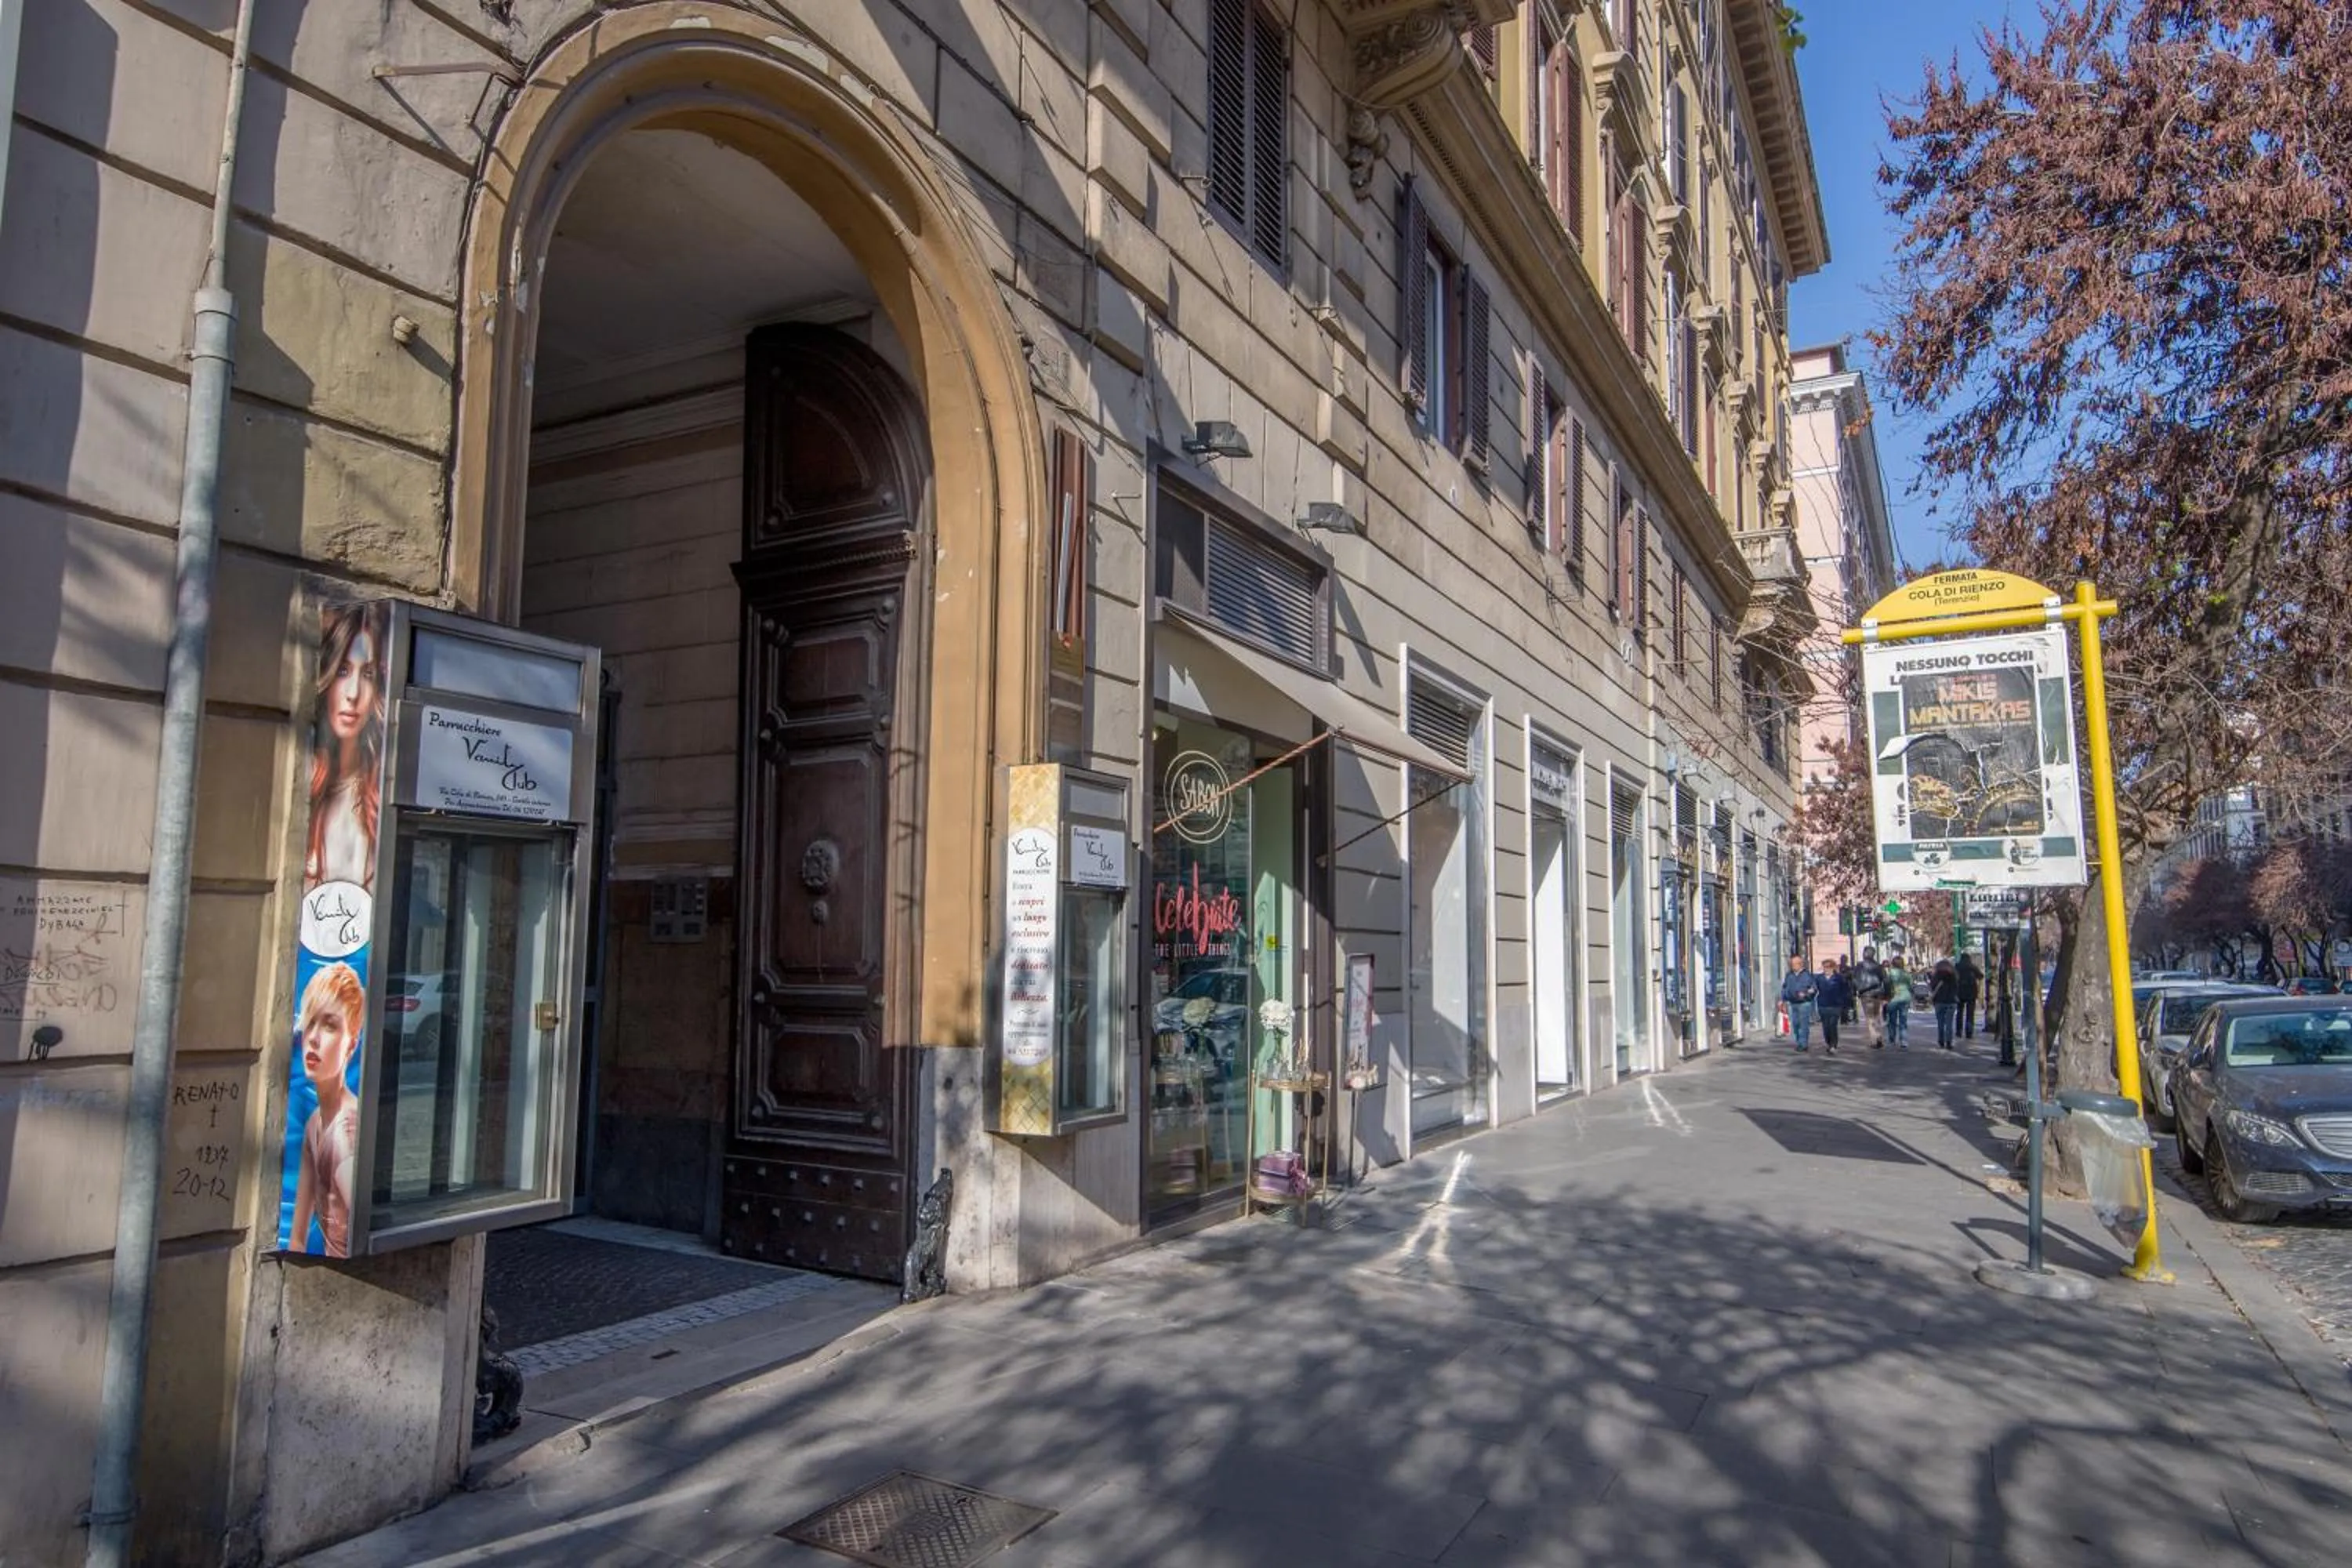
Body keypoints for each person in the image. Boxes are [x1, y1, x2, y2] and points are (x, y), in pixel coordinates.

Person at [307, 603, 387, 893]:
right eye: (343, 671)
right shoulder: (305, 782)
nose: (353, 694)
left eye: (367, 674)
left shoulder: (378, 794)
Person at [287, 960, 365, 1258]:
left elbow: (363, 1222)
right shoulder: (314, 1124)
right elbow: (296, 1243)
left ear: (351, 1044)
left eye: (330, 1025)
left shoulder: (345, 1133)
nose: (314, 1038)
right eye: (310, 1022)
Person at [1780, 956, 1820, 1051]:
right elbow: (1785, 988)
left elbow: (1814, 989)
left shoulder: (1807, 975)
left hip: (1804, 1003)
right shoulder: (1789, 975)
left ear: (1800, 964)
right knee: (1796, 1024)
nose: (1792, 966)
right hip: (1792, 1003)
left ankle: (1803, 1044)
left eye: (1794, 964)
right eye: (1791, 964)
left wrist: (1805, 994)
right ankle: (1799, 1042)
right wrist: (1783, 1000)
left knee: (1804, 1025)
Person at [1815, 957, 1852, 1054]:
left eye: (1828, 967)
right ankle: (1828, 1042)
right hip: (1823, 1005)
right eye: (1825, 967)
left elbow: (1845, 991)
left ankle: (1833, 1045)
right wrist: (1810, 991)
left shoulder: (1839, 978)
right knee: (1826, 1026)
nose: (1826, 969)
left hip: (1835, 1005)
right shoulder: (1819, 978)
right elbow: (1814, 988)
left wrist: (1845, 1004)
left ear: (1833, 968)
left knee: (1833, 1025)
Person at [1853, 948, 1887, 1047]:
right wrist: (1887, 995)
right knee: (1877, 1017)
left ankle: (1874, 1040)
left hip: (1866, 994)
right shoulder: (1879, 966)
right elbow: (1886, 980)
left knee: (1870, 1018)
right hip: (1878, 994)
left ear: (1864, 954)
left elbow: (1854, 980)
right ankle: (1879, 1036)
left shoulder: (1859, 966)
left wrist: (1855, 992)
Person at [1883, 956, 1915, 1047]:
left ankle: (1892, 1039)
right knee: (1903, 1020)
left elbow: (1887, 984)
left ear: (1893, 963)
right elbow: (1911, 986)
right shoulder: (1906, 974)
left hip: (1893, 998)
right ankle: (1903, 1041)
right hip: (1905, 998)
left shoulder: (1890, 973)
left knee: (1892, 1020)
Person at [1930, 959, 1962, 1050]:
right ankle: (1949, 1042)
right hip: (1951, 1002)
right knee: (1949, 1023)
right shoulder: (1954, 976)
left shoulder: (1936, 976)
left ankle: (1941, 1041)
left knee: (1940, 1023)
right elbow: (1956, 989)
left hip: (1939, 1002)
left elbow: (1932, 987)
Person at [1956, 953, 1983, 1039]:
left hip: (1960, 992)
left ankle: (1959, 1031)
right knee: (1970, 1014)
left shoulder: (1957, 966)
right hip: (1971, 993)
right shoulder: (1972, 967)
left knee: (1959, 1013)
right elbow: (1981, 976)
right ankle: (1969, 1032)